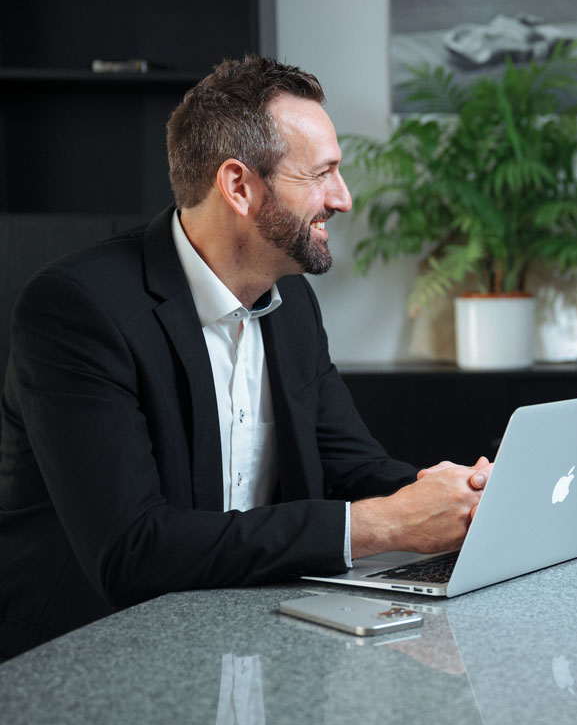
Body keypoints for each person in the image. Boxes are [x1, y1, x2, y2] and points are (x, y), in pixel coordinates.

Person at [0, 55, 492, 658]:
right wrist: (385, 524)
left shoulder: (292, 302)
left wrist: (460, 497)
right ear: (238, 186)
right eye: (322, 173)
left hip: (252, 637)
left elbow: (349, 465)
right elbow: (132, 550)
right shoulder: (78, 309)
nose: (343, 198)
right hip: (92, 657)